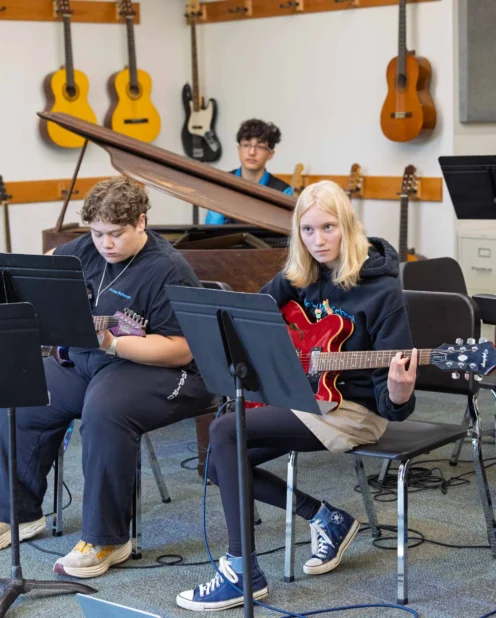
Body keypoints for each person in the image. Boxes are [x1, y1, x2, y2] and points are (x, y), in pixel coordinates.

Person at [176, 180, 418, 611]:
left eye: (328, 228)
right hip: (304, 397)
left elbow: (390, 405)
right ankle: (326, 517)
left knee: (224, 431)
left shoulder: (382, 291)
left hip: (354, 409)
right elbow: (248, 318)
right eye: (307, 230)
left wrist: (399, 392)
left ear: (347, 226)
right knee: (217, 463)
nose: (318, 240)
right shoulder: (299, 276)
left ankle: (241, 570)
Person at [0, 177, 213, 579]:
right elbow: (45, 266)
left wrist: (113, 342)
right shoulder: (84, 249)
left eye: (116, 234)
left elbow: (181, 348)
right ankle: (17, 513)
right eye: (97, 233)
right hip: (92, 362)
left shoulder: (168, 270)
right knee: (23, 389)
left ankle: (108, 539)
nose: (105, 244)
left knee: (105, 411)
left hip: (163, 371)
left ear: (141, 223)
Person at [205, 118, 293, 224]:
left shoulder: (283, 191)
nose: (252, 152)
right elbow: (212, 231)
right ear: (239, 149)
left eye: (260, 147)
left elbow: (285, 235)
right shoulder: (221, 183)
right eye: (246, 145)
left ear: (270, 154)